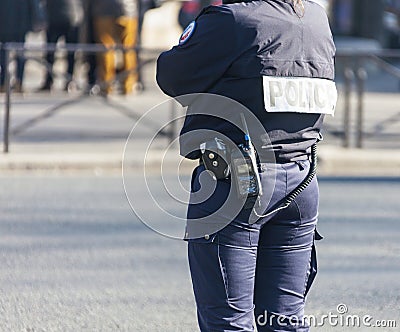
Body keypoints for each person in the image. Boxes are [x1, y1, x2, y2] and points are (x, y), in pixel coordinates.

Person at [156, 0, 336, 331]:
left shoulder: (232, 21)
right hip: (301, 181)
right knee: (285, 321)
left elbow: (171, 75)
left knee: (229, 322)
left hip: (237, 184)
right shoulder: (315, 19)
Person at [92, 0, 139, 95]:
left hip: (103, 9)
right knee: (128, 48)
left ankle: (106, 85)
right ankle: (128, 85)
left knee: (106, 47)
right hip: (128, 9)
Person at [40, 0, 84, 91]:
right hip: (72, 17)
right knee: (70, 54)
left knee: (50, 53)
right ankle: (69, 81)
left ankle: (49, 81)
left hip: (55, 17)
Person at [0, 0, 39, 93]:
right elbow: (33, 4)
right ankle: (19, 82)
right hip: (21, 24)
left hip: (4, 24)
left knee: (3, 55)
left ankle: (3, 82)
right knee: (20, 55)